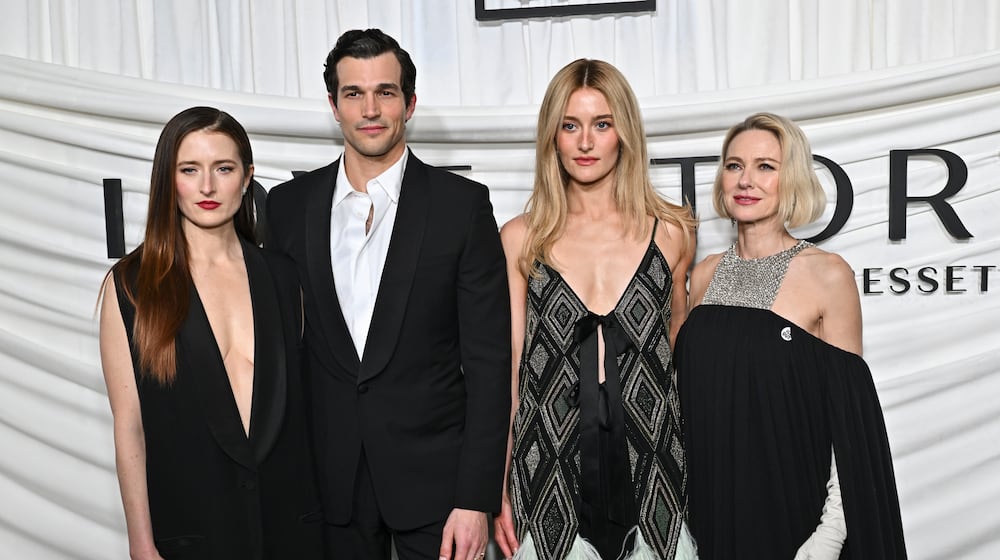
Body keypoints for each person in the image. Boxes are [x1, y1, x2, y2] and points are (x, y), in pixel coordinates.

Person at [264, 29, 511, 560]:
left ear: (410, 102)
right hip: (326, 485)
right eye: (353, 93)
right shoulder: (286, 208)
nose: (370, 109)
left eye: (386, 92)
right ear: (333, 105)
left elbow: (490, 365)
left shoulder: (460, 207)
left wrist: (476, 498)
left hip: (439, 490)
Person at [674, 112, 907, 559]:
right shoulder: (703, 275)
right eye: (734, 165)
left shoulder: (827, 274)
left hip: (793, 513)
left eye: (766, 166)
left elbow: (851, 425)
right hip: (709, 514)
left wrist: (830, 534)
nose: (746, 180)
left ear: (792, 178)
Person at [494, 59, 699, 560]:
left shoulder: (672, 231)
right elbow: (512, 373)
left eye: (601, 124)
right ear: (553, 137)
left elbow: (680, 359)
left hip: (655, 466)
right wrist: (495, 485)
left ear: (623, 132)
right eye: (570, 125)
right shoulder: (522, 238)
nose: (585, 142)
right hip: (548, 466)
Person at [99, 106, 323, 560]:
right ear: (168, 179)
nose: (207, 187)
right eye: (189, 170)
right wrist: (142, 543)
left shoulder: (285, 277)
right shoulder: (132, 285)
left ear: (247, 177)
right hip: (191, 534)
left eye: (223, 168)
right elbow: (130, 428)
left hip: (291, 530)